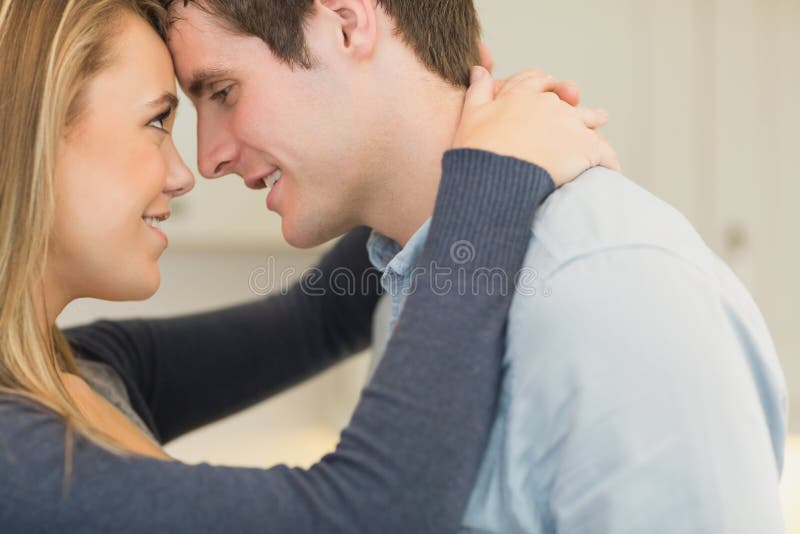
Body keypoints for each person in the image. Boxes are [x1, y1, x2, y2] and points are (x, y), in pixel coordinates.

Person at [152, 1, 786, 532]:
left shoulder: (609, 288)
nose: (207, 159)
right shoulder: (411, 279)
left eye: (223, 92)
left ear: (345, 25)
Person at [0, 0, 616, 532]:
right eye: (157, 120)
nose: (189, 172)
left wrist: (441, 124)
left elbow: (317, 319)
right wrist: (492, 176)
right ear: (35, 129)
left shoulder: (85, 371)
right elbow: (369, 515)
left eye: (221, 94)